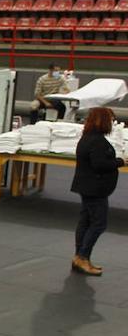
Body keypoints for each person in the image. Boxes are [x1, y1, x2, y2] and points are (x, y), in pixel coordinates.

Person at [71, 107, 124, 276]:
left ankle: (79, 257)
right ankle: (83, 257)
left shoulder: (87, 138)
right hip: (95, 189)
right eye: (110, 120)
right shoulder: (97, 141)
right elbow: (100, 165)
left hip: (87, 186)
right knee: (98, 224)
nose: (112, 123)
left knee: (85, 222)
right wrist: (120, 161)